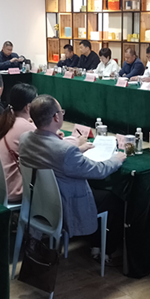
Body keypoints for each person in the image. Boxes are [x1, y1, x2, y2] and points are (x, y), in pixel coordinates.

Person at [19, 95, 126, 260]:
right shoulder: (65, 151)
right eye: (61, 112)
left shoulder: (25, 138)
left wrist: (78, 149)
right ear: (56, 117)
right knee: (114, 199)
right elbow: (99, 171)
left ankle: (96, 246)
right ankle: (104, 250)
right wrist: (116, 159)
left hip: (38, 201)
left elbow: (54, 155)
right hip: (64, 205)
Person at [0, 83, 37, 203]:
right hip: (13, 190)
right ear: (28, 107)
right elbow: (52, 145)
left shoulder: (5, 121)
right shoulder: (25, 126)